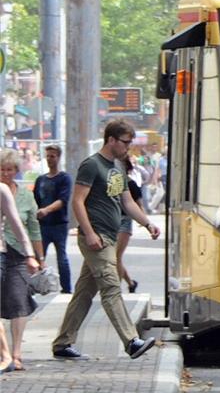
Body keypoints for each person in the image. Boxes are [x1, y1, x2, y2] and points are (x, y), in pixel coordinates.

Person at [51, 119, 161, 361]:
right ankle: (131, 341)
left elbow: (127, 202)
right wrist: (89, 233)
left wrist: (148, 223)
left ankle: (62, 343)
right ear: (111, 140)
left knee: (83, 293)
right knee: (111, 288)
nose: (128, 147)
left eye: (130, 143)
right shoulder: (92, 165)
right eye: (125, 142)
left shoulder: (118, 167)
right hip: (96, 238)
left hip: (109, 238)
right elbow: (77, 201)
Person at [1, 148, 43, 372]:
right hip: (1, 253)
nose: (6, 174)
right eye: (2, 170)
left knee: (18, 301)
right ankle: (4, 353)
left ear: (16, 170)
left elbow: (32, 228)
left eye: (10, 170)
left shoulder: (25, 195)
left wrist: (37, 256)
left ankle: (16, 354)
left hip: (18, 255)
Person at [34, 144, 73, 293]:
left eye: (53, 156)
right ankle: (35, 286)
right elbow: (35, 200)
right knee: (38, 256)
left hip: (59, 224)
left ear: (58, 157)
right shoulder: (41, 180)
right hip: (42, 225)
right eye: (48, 156)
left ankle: (67, 288)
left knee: (61, 257)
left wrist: (46, 210)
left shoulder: (64, 178)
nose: (50, 159)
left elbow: (63, 200)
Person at [115, 154, 147, 294]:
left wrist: (144, 222)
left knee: (116, 257)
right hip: (112, 221)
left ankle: (115, 287)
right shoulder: (113, 184)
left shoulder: (131, 185)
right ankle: (130, 283)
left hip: (125, 222)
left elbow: (139, 205)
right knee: (114, 258)